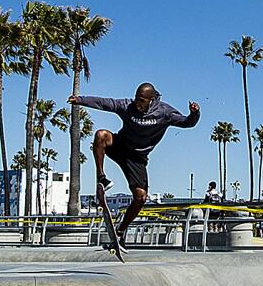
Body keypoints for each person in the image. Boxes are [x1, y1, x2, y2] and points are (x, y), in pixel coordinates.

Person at [72, 82, 200, 235]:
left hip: (137, 159)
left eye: (141, 101)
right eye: (136, 99)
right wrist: (80, 99)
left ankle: (121, 230)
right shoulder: (127, 106)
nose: (137, 104)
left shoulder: (164, 112)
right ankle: (102, 178)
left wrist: (194, 114)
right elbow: (105, 103)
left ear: (151, 99)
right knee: (101, 135)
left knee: (140, 197)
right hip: (120, 146)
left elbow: (187, 123)